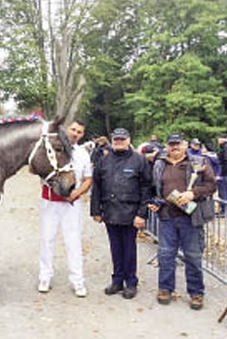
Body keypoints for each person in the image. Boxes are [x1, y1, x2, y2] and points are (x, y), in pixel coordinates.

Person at [148, 133, 216, 310]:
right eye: (171, 144)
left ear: (185, 145)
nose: (174, 147)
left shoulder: (199, 162)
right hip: (167, 217)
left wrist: (193, 194)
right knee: (165, 255)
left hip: (191, 218)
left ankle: (196, 292)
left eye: (178, 144)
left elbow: (211, 185)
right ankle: (165, 289)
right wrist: (155, 203)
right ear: (167, 146)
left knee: (193, 256)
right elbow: (154, 189)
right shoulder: (159, 164)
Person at [90, 128, 152, 299]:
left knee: (129, 249)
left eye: (122, 139)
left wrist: (142, 214)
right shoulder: (104, 160)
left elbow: (147, 188)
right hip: (110, 212)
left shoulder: (139, 160)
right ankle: (117, 281)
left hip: (131, 213)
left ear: (129, 139)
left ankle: (131, 283)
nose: (119, 142)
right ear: (112, 140)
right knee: (115, 248)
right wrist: (96, 210)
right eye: (116, 139)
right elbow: (97, 187)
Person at [38, 119, 93, 297]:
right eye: (73, 129)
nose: (75, 134)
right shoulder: (52, 148)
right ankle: (45, 276)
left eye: (79, 132)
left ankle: (77, 281)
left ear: (82, 135)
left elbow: (88, 179)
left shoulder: (83, 153)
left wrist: (76, 194)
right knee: (47, 239)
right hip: (51, 200)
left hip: (72, 203)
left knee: (73, 241)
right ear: (67, 129)